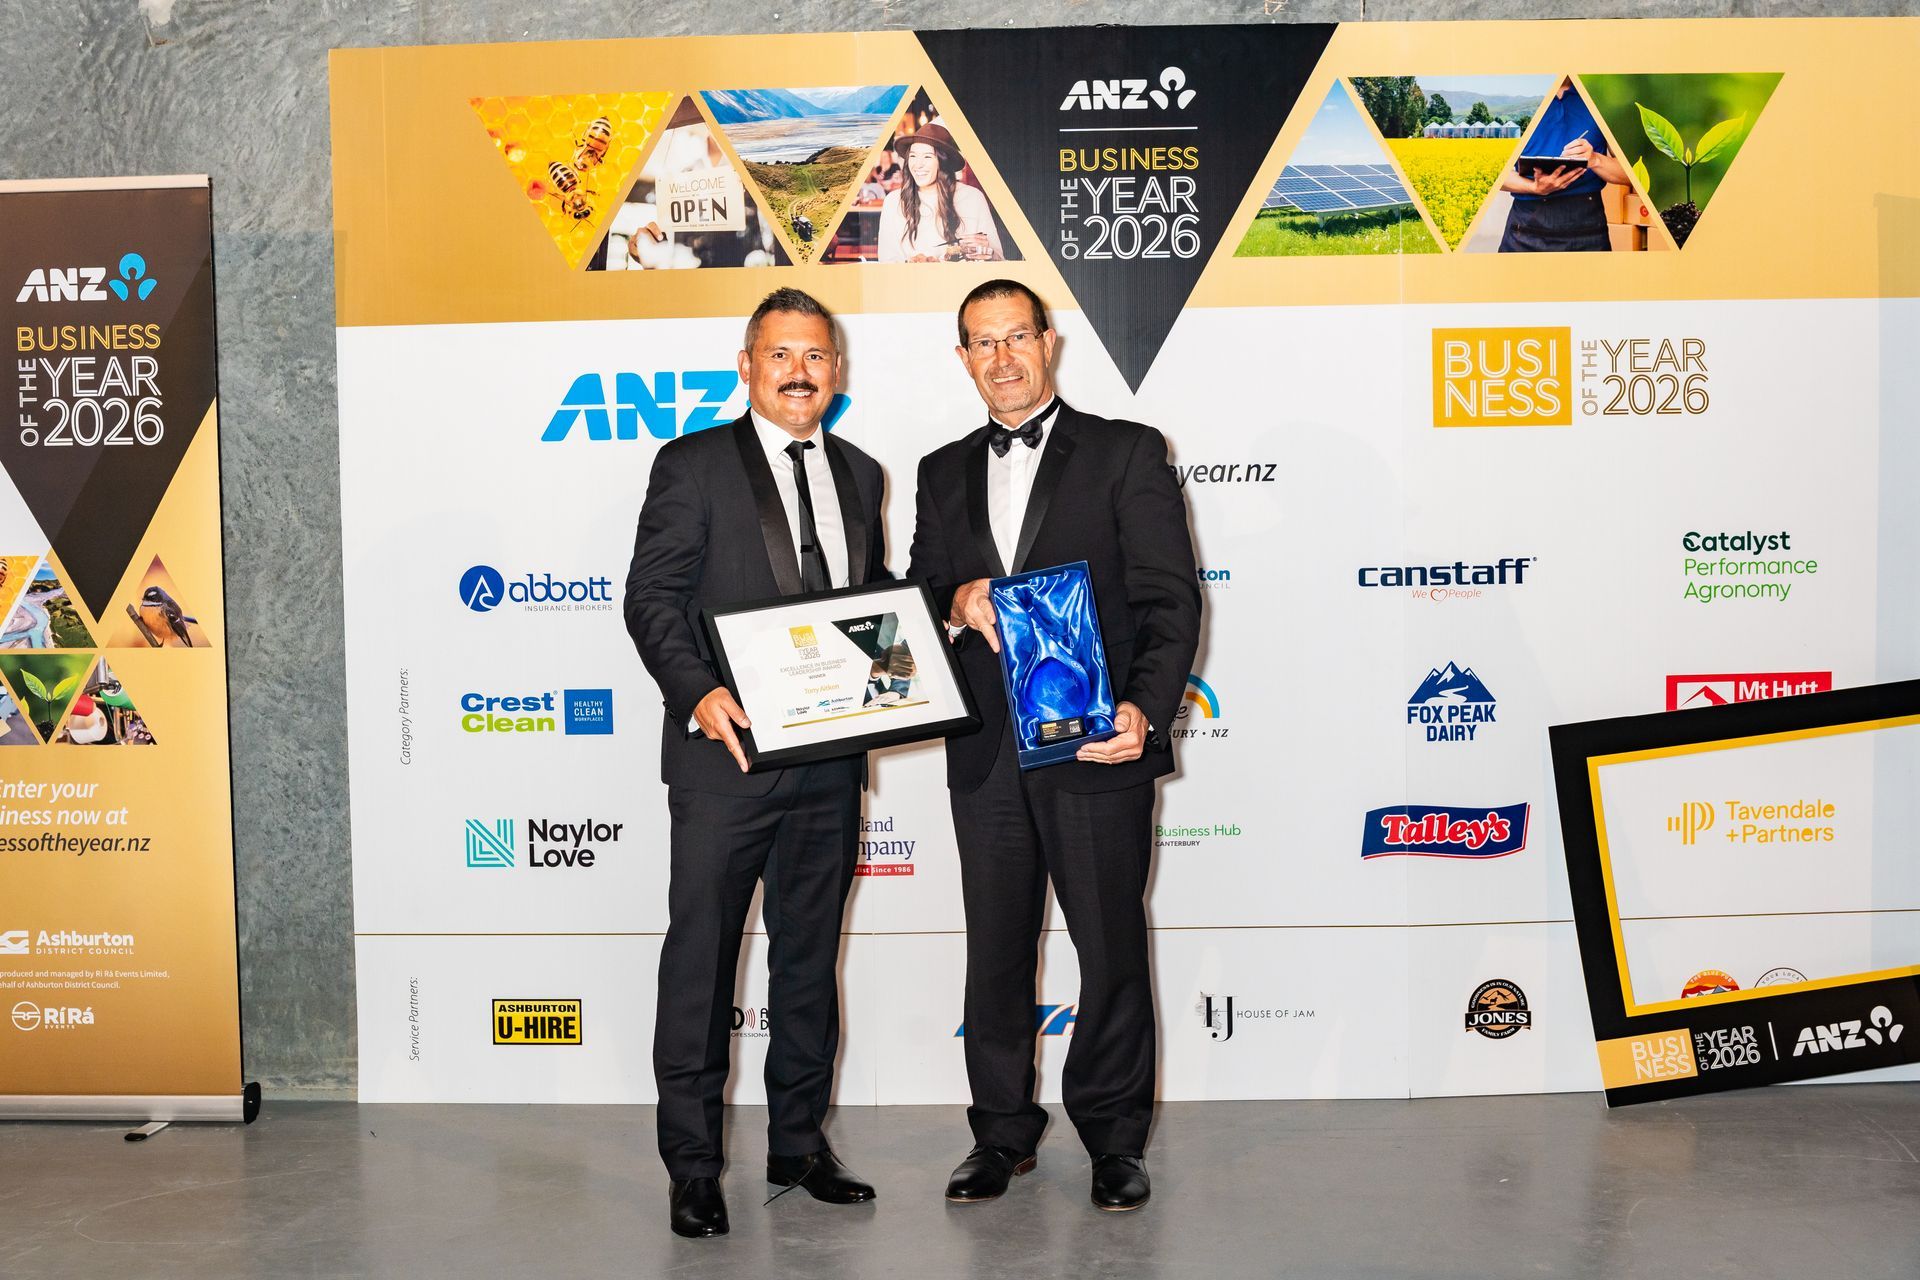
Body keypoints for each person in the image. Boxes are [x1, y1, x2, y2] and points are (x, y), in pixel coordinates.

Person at [907, 280, 1200, 1213]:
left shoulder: (1125, 451)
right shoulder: (940, 471)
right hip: (987, 752)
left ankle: (1114, 1140)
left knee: (1109, 947)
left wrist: (1145, 710)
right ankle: (999, 1133)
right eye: (982, 343)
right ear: (963, 358)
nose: (1002, 358)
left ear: (1049, 343)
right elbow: (919, 592)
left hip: (1094, 748)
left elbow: (1170, 599)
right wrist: (955, 602)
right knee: (994, 948)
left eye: (1016, 337)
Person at [624, 287, 887, 1239]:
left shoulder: (862, 474)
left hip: (829, 766)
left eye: (815, 355)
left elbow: (866, 612)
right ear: (747, 368)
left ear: (837, 371)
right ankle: (693, 1167)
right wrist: (698, 692)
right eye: (780, 355)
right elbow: (651, 599)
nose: (799, 372)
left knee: (808, 964)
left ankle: (799, 1145)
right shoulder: (691, 464)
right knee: (702, 963)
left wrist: (901, 669)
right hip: (723, 764)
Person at [1497, 78, 1632, 252]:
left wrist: (1596, 159)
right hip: (1524, 228)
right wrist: (1533, 187)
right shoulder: (1516, 96)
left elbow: (1631, 174)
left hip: (1588, 229)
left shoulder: (1603, 96)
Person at [876, 123, 1005, 263]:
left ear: (943, 162)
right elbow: (887, 261)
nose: (918, 165)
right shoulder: (893, 201)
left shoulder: (973, 198)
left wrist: (987, 253)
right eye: (913, 156)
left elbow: (999, 259)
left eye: (927, 157)